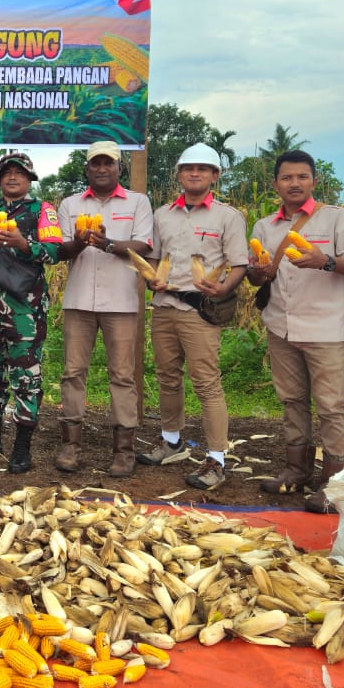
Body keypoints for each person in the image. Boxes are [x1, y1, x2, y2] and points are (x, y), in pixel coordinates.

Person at [246, 150, 344, 512]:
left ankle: (334, 483)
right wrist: (259, 273)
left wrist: (324, 260)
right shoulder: (265, 226)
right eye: (286, 178)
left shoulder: (335, 218)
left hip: (324, 329)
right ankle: (296, 470)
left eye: (301, 177)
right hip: (281, 326)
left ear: (313, 181)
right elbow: (256, 276)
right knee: (292, 401)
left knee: (331, 406)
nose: (294, 183)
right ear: (276, 184)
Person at [138, 143, 247, 490]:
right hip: (165, 305)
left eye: (202, 168)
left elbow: (239, 264)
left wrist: (224, 288)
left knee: (206, 383)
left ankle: (216, 458)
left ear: (215, 175)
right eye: (188, 168)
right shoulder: (163, 214)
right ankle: (172, 441)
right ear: (179, 174)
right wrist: (149, 276)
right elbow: (153, 258)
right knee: (167, 375)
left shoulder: (228, 216)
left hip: (200, 308)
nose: (194, 174)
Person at [0, 152, 63, 474]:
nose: (13, 177)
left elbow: (54, 252)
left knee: (26, 376)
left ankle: (22, 447)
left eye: (20, 173)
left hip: (26, 308)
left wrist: (21, 243)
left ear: (30, 178)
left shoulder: (42, 210)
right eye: (7, 173)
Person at [55, 140, 154, 476]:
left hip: (121, 301)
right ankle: (71, 444)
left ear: (119, 168)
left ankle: (124, 449)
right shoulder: (69, 204)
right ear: (86, 168)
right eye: (95, 163)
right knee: (72, 372)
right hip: (79, 300)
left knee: (123, 375)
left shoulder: (138, 202)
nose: (101, 168)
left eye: (107, 163)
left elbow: (142, 243)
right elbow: (62, 250)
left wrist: (109, 244)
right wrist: (81, 242)